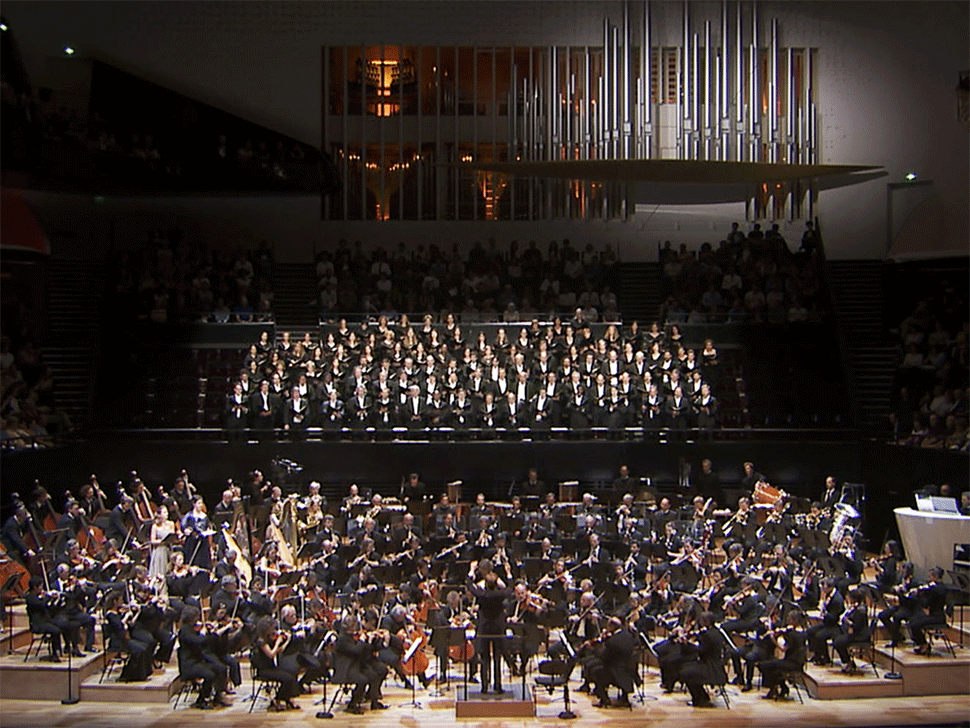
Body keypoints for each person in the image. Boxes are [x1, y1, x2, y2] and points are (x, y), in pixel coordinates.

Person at [467, 566, 512, 694]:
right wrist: (508, 573)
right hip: (498, 629)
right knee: (497, 656)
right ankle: (498, 685)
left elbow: (470, 586)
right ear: (496, 584)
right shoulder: (499, 594)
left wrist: (471, 571)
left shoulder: (482, 594)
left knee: (485, 657)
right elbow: (510, 588)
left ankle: (484, 686)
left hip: (484, 629)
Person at [334, 613, 388, 714]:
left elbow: (363, 651)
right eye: (355, 626)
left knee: (374, 675)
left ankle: (374, 702)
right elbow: (356, 651)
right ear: (349, 627)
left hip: (356, 664)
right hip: (346, 667)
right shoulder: (342, 639)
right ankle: (352, 704)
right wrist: (363, 641)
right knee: (363, 679)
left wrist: (370, 641)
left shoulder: (352, 636)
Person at [177, 605, 230, 709]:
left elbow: (201, 640)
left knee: (220, 668)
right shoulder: (184, 630)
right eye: (197, 616)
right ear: (192, 618)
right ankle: (201, 699)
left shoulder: (191, 629)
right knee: (209, 674)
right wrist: (210, 635)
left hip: (197, 661)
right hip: (189, 664)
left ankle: (218, 696)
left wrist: (209, 633)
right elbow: (198, 641)